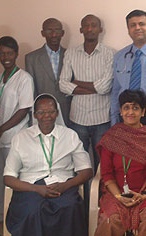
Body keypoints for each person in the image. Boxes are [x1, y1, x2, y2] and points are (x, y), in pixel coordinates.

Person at [4, 93, 92, 236]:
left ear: (57, 113)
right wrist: (36, 189)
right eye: (41, 112)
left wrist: (66, 185)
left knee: (70, 207)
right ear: (34, 115)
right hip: (31, 187)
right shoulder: (20, 138)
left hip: (63, 185)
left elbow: (87, 171)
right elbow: (8, 178)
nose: (47, 116)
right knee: (32, 210)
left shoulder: (70, 136)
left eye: (51, 112)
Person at [59, 14, 115, 219]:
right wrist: (91, 87)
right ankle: (80, 210)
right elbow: (62, 84)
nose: (90, 29)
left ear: (100, 29)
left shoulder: (110, 53)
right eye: (86, 26)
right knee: (78, 166)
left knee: (104, 167)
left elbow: (105, 87)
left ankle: (101, 209)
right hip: (78, 119)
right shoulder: (72, 53)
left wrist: (77, 85)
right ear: (81, 30)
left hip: (102, 119)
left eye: (94, 26)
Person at [95, 90, 146, 236]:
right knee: (110, 218)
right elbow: (107, 174)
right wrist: (118, 196)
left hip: (145, 192)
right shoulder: (111, 138)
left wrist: (145, 195)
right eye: (126, 108)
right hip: (116, 192)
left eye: (135, 108)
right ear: (121, 112)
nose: (130, 112)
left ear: (143, 112)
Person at [0, 36, 34, 229]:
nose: (6, 57)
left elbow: (24, 109)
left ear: (16, 54)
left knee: (15, 178)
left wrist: (0, 130)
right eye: (2, 53)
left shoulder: (24, 78)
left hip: (14, 136)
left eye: (9, 53)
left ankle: (15, 216)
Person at [25, 18, 71, 125]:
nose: (54, 34)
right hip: (43, 114)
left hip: (67, 111)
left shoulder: (71, 55)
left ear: (62, 33)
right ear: (42, 33)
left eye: (57, 30)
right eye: (49, 31)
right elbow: (32, 91)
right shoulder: (31, 58)